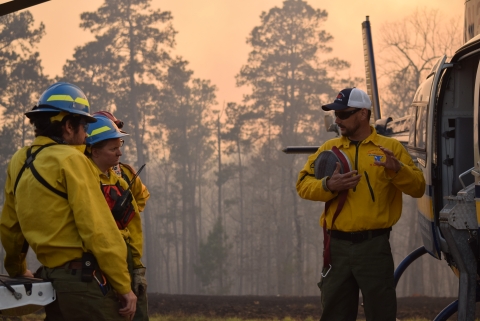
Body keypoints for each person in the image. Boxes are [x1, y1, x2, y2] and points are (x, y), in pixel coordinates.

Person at [0, 82, 137, 321]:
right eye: (84, 125)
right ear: (68, 125)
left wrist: (17, 269)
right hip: (85, 282)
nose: (86, 134)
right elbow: (98, 229)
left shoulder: (20, 160)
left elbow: (11, 227)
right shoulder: (73, 160)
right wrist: (124, 285)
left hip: (50, 281)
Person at [296, 87, 426, 321]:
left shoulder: (391, 149)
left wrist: (398, 170)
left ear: (363, 114)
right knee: (334, 314)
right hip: (336, 248)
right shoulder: (329, 150)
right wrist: (328, 185)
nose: (337, 120)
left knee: (381, 314)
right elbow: (302, 185)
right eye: (336, 115)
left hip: (374, 248)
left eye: (344, 114)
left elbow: (418, 188)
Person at [85, 115, 149, 321]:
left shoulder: (123, 179)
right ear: (94, 149)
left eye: (119, 144)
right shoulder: (81, 179)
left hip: (124, 255)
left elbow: (135, 223)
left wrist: (137, 267)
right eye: (113, 148)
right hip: (94, 261)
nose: (119, 152)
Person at [92, 111, 150, 213]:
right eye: (113, 148)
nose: (119, 153)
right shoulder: (84, 172)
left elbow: (142, 196)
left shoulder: (126, 173)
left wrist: (126, 211)